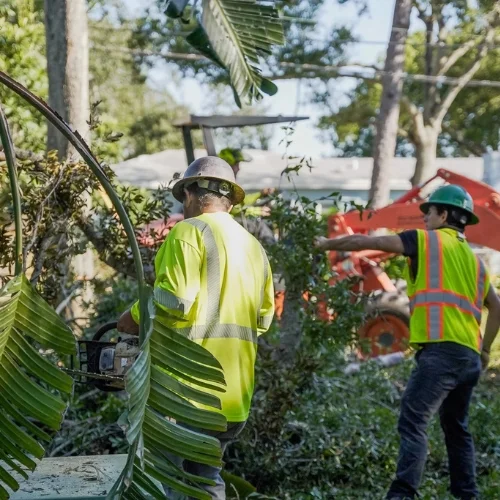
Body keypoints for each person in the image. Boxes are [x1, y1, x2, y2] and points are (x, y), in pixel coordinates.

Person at [315, 184, 500, 500]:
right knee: (457, 429)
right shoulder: (476, 264)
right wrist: (484, 351)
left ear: (443, 214)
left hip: (440, 352)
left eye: (428, 213)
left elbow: (367, 241)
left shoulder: (424, 241)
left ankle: (402, 494)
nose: (424, 219)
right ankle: (468, 495)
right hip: (468, 356)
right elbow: (496, 306)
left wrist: (327, 243)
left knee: (413, 421)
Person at [117, 156, 275, 499]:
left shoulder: (190, 231)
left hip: (189, 393)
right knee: (204, 482)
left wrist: (133, 317)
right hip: (234, 398)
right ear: (230, 200)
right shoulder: (256, 248)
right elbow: (263, 320)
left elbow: (175, 303)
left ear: (191, 193)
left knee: (171, 484)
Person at [218, 148, 276, 246]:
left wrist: (261, 193)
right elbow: (233, 209)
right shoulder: (223, 185)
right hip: (228, 222)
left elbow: (241, 201)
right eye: (236, 165)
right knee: (260, 227)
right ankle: (275, 254)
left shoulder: (226, 183)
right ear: (227, 166)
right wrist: (257, 211)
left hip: (228, 221)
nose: (238, 169)